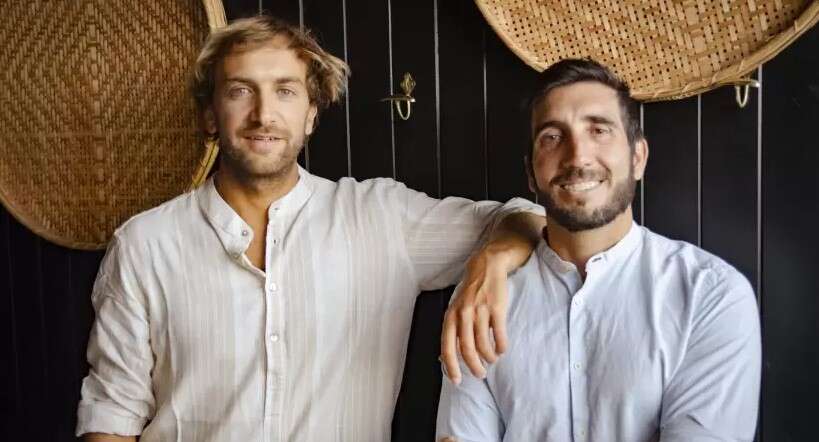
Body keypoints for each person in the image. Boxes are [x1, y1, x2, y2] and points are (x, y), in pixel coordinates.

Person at [76, 15, 545, 442]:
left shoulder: (383, 218)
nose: (263, 114)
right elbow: (112, 416)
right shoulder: (144, 245)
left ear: (311, 114)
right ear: (210, 114)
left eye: (285, 91)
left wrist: (491, 261)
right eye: (240, 90)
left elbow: (528, 217)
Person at [436, 59, 761, 442]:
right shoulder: (481, 299)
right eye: (552, 137)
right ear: (531, 173)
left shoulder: (710, 295)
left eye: (599, 130)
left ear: (638, 158)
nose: (578, 156)